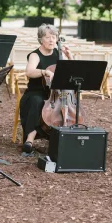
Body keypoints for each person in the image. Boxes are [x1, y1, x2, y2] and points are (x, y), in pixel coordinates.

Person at [19, 23, 73, 154]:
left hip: (56, 93)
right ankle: (29, 140)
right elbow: (29, 72)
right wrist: (45, 72)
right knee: (37, 102)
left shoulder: (58, 53)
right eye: (48, 37)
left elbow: (70, 72)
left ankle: (62, 137)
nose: (51, 40)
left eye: (54, 37)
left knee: (64, 105)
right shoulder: (35, 55)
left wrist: (69, 56)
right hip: (36, 92)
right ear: (40, 39)